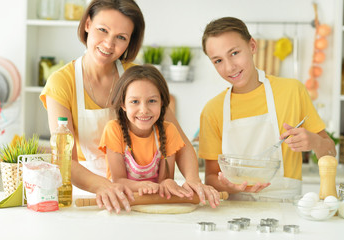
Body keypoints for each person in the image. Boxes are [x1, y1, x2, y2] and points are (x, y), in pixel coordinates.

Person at [40, 0, 219, 213]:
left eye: (121, 37)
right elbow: (65, 161)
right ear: (87, 24)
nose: (108, 44)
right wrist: (107, 186)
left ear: (130, 41)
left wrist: (193, 181)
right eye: (102, 30)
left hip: (143, 196)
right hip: (89, 195)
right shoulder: (61, 82)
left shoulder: (136, 77)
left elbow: (180, 142)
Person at [199, 17, 336, 200]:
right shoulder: (212, 110)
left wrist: (315, 142)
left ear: (252, 46)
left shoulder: (292, 91)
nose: (229, 67)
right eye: (218, 61)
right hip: (234, 212)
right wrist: (230, 186)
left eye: (234, 53)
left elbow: (330, 152)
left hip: (286, 208)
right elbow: (210, 177)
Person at [100, 65, 200, 199]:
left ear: (162, 102)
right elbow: (118, 180)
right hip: (124, 201)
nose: (144, 110)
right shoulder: (113, 130)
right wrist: (142, 186)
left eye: (152, 101)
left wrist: (168, 183)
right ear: (123, 104)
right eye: (134, 101)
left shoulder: (169, 131)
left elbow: (165, 180)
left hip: (155, 202)